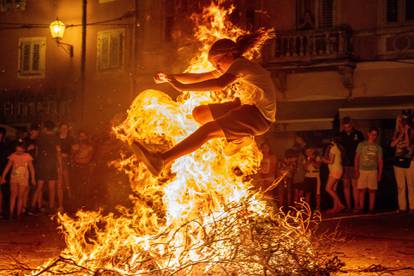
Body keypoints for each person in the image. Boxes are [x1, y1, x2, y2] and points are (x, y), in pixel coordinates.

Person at [130, 31, 276, 176]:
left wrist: (183, 87)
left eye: (218, 63)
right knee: (200, 114)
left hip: (258, 117)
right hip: (242, 106)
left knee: (208, 130)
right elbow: (198, 77)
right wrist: (169, 77)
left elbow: (220, 84)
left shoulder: (241, 64)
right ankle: (241, 138)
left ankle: (162, 160)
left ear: (230, 54)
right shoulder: (231, 67)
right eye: (214, 65)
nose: (217, 68)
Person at [31, 121, 61, 213]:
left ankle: (32, 207)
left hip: (41, 164)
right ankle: (51, 208)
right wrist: (59, 165)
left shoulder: (39, 138)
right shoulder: (55, 138)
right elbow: (58, 151)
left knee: (39, 186)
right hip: (51, 164)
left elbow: (36, 152)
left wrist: (37, 163)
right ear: (52, 129)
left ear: (45, 128)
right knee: (52, 187)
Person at [1, 140, 36, 218]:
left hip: (23, 178)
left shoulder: (27, 156)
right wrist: (3, 177)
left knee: (20, 196)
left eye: (20, 151)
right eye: (17, 150)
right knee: (13, 195)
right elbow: (8, 166)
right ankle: (11, 213)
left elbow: (31, 168)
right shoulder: (13, 155)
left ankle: (18, 214)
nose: (18, 152)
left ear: (24, 149)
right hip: (14, 178)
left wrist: (33, 178)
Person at [354, 127, 383, 214]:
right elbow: (357, 158)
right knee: (362, 190)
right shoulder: (361, 145)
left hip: (373, 171)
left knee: (372, 190)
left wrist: (380, 174)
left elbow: (380, 161)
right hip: (362, 170)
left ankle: (371, 209)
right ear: (368, 134)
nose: (373, 136)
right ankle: (362, 208)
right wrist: (356, 170)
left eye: (375, 135)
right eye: (372, 134)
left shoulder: (378, 147)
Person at [339, 117, 364, 212]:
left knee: (355, 185)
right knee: (346, 185)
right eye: (345, 127)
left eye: (348, 127)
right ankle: (349, 206)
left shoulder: (358, 134)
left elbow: (362, 148)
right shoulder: (340, 135)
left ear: (351, 125)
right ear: (343, 126)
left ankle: (356, 205)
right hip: (344, 164)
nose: (347, 129)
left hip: (355, 163)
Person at [391, 114, 413, 212]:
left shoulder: (412, 132)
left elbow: (408, 145)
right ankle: (402, 207)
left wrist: (406, 132)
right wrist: (400, 134)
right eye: (399, 121)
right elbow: (392, 145)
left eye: (402, 121)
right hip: (398, 162)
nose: (401, 123)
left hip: (409, 161)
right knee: (400, 186)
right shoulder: (396, 133)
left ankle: (412, 206)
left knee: (411, 184)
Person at [71, 130, 94, 209]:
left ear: (86, 137)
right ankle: (76, 206)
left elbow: (87, 159)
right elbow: (74, 158)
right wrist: (81, 157)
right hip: (76, 169)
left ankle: (85, 206)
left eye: (83, 136)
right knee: (77, 187)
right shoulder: (75, 146)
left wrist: (80, 158)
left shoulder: (90, 148)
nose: (82, 138)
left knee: (85, 187)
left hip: (85, 169)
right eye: (80, 136)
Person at [322, 135, 345, 214]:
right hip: (338, 169)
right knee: (333, 190)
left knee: (328, 188)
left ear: (332, 140)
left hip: (335, 170)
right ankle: (335, 208)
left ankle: (340, 204)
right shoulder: (338, 148)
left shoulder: (333, 148)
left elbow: (331, 161)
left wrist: (323, 160)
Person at [57, 123, 74, 211]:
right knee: (59, 183)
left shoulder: (70, 139)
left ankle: (70, 202)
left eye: (65, 128)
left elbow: (73, 150)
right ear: (59, 129)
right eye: (62, 128)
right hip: (57, 161)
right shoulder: (56, 138)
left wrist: (68, 156)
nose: (64, 129)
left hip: (67, 162)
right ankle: (60, 205)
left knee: (68, 182)